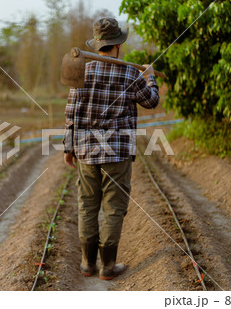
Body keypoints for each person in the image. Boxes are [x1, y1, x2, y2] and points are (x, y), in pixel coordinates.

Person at [63, 18, 159, 280]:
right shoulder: (131, 74)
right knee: (114, 207)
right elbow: (151, 102)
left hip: (85, 150)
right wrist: (150, 79)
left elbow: (72, 113)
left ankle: (87, 264)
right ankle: (107, 266)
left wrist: (68, 147)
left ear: (97, 46)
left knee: (87, 204)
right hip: (116, 152)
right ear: (118, 46)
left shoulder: (82, 71)